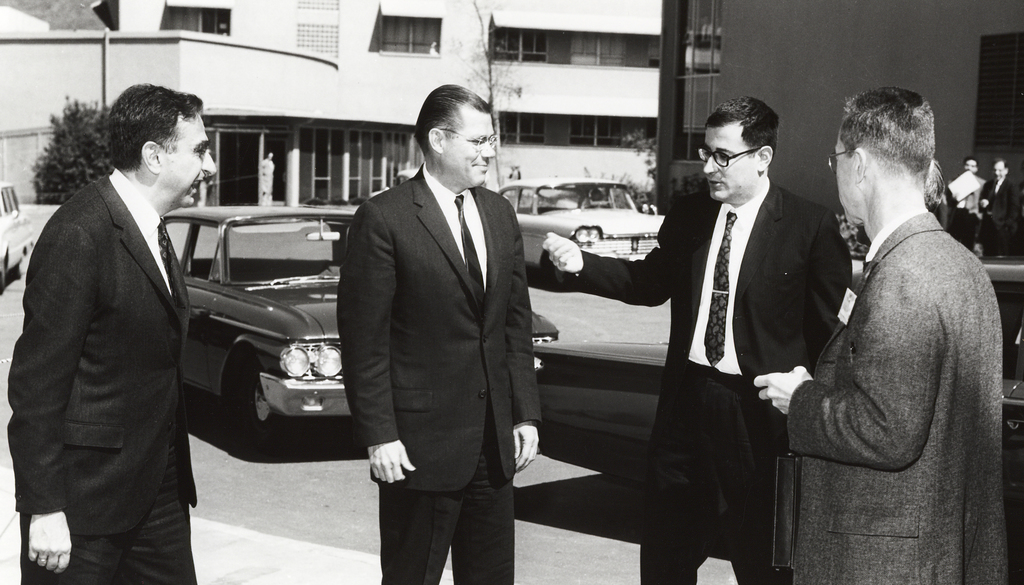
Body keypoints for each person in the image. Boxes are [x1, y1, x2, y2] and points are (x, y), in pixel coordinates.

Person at [543, 96, 851, 585]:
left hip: (759, 420)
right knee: (665, 558)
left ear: (763, 158)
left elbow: (829, 337)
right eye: (706, 152)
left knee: (762, 563)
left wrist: (812, 407)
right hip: (686, 408)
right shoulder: (691, 214)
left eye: (722, 156)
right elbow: (648, 284)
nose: (708, 166)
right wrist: (581, 264)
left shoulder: (808, 226)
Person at [755, 87, 1007, 584]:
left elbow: (888, 432)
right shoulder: (963, 266)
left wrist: (800, 398)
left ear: (861, 165)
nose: (837, 174)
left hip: (881, 566)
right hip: (935, 553)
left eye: (836, 160)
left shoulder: (903, 279)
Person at [7, 83, 216, 583]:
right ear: (154, 157)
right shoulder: (78, 234)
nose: (209, 166)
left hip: (158, 494)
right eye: (199, 150)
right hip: (84, 510)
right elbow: (37, 386)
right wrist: (44, 508)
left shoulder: (155, 227)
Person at [337, 84, 540, 585]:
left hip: (494, 450)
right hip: (418, 450)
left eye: (491, 139)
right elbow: (365, 340)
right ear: (438, 140)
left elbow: (514, 322)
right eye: (478, 141)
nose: (489, 152)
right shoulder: (384, 218)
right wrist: (379, 435)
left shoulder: (498, 212)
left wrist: (525, 413)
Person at [978, 157, 1017, 255]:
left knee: (1000, 256)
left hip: (1001, 228)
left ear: (1006, 171)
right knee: (988, 255)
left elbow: (1014, 207)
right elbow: (982, 201)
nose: (996, 173)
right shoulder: (988, 185)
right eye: (995, 170)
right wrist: (982, 203)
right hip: (988, 226)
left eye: (1000, 170)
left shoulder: (1010, 186)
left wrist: (1006, 225)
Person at [946, 155, 983, 253]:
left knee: (968, 245)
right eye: (967, 165)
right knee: (953, 243)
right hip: (957, 214)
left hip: (971, 215)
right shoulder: (954, 181)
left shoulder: (981, 183)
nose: (969, 168)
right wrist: (953, 198)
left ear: (976, 168)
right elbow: (948, 202)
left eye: (972, 166)